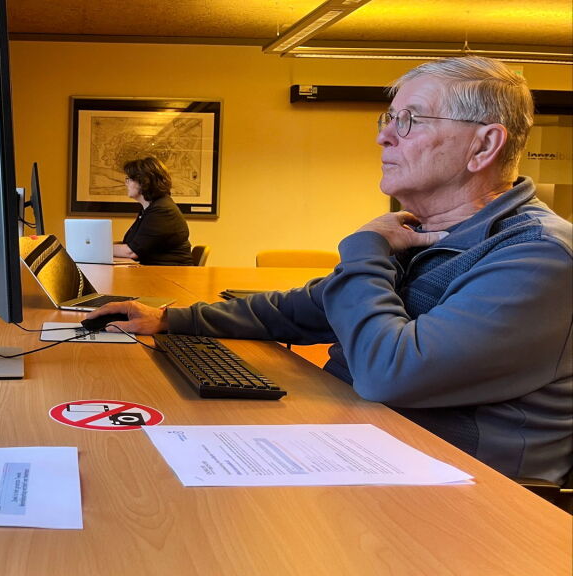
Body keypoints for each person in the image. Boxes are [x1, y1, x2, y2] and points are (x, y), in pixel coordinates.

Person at [90, 57, 573, 483]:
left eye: (410, 120)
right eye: (389, 118)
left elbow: (391, 373)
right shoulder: (425, 232)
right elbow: (303, 309)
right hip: (364, 443)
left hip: (469, 490)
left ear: (483, 145)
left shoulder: (538, 256)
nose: (383, 135)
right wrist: (171, 319)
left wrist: (365, 249)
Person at [112, 156, 194, 266]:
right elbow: (131, 244)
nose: (126, 183)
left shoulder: (162, 211)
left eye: (129, 179)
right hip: (155, 270)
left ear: (144, 181)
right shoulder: (150, 209)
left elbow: (132, 252)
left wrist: (99, 248)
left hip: (169, 273)